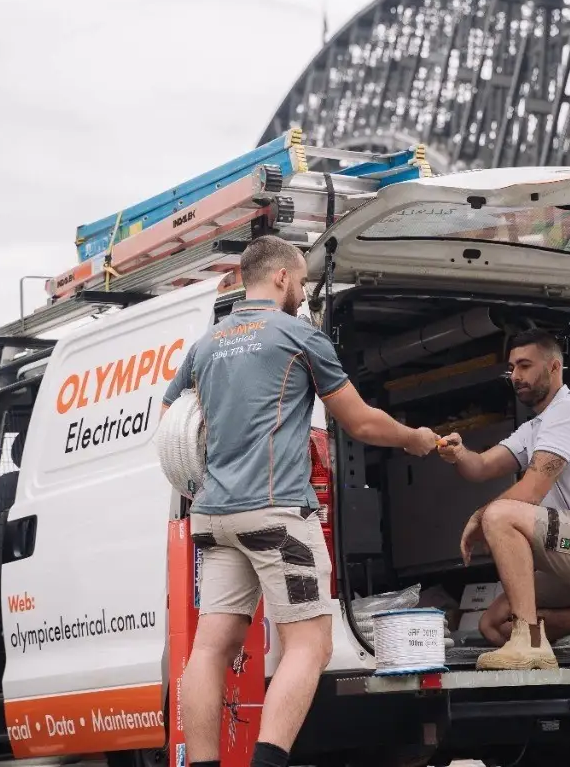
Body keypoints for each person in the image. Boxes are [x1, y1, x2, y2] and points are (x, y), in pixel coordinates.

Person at [162, 235, 439, 767]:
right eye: (302, 282)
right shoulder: (297, 336)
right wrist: (413, 438)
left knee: (211, 647)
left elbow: (172, 420)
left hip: (213, 516)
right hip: (277, 515)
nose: (303, 292)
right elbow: (356, 420)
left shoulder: (207, 343)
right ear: (283, 277)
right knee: (311, 645)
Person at [436, 329, 570, 671]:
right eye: (511, 368)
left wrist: (479, 518)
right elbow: (481, 467)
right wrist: (460, 453)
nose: (516, 376)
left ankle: (530, 644)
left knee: (500, 514)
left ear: (555, 367)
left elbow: (530, 492)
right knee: (493, 625)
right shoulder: (535, 427)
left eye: (525, 366)